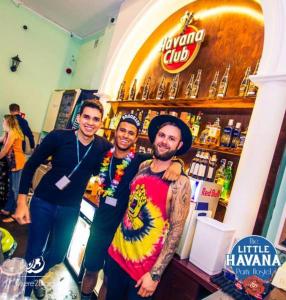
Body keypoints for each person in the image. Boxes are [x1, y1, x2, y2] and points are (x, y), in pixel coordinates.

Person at [13, 100, 112, 299]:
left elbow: (130, 158)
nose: (90, 123)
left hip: (70, 208)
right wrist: (22, 202)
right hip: (44, 202)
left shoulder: (103, 146)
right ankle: (24, 294)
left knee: (58, 254)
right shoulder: (59, 137)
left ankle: (33, 276)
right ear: (78, 118)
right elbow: (31, 165)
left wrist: (177, 162)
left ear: (101, 122)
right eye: (86, 117)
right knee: (34, 250)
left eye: (96, 119)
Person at [81, 113, 182, 300]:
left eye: (131, 133)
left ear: (136, 138)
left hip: (122, 235)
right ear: (115, 132)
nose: (125, 135)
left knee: (109, 282)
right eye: (122, 130)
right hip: (100, 228)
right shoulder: (104, 154)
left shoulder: (140, 162)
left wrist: (178, 164)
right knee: (90, 271)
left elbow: (164, 157)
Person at [106, 114, 192, 300]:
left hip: (142, 272)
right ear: (155, 138)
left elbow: (176, 231)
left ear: (179, 145)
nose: (164, 142)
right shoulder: (143, 165)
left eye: (172, 139)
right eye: (162, 135)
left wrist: (155, 275)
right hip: (116, 255)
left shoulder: (180, 183)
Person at [0, 115, 26, 222]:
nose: (2, 123)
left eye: (3, 122)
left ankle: (16, 214)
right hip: (12, 165)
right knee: (12, 188)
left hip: (18, 164)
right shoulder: (8, 133)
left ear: (8, 123)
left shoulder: (13, 133)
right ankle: (7, 209)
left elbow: (5, 150)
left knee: (15, 190)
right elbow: (1, 140)